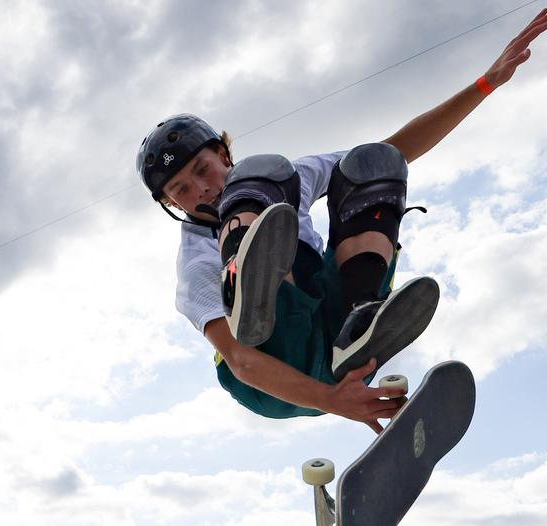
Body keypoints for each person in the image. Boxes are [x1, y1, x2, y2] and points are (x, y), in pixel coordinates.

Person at [136, 11, 547, 433]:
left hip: (334, 349)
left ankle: (360, 319)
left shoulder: (281, 181)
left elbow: (391, 153)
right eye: (181, 191)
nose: (200, 191)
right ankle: (250, 287)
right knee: (256, 189)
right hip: (270, 370)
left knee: (360, 166)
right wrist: (334, 402)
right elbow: (240, 363)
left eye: (202, 171)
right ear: (171, 204)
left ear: (223, 155)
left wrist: (486, 83)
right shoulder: (195, 264)